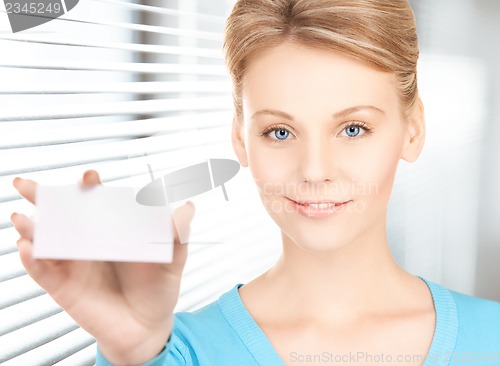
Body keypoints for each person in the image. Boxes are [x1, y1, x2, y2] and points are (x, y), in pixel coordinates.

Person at [10, 0, 500, 365]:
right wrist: (134, 354)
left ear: (412, 130)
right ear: (240, 141)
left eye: (353, 129)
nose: (314, 170)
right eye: (280, 132)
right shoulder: (168, 352)